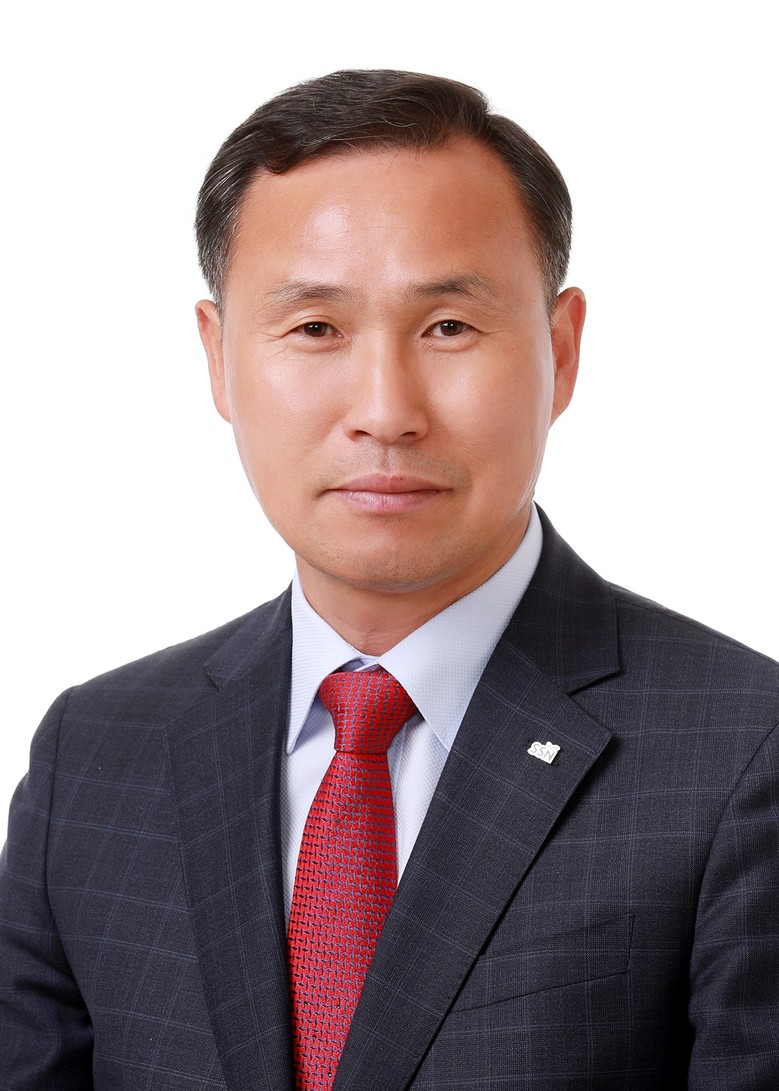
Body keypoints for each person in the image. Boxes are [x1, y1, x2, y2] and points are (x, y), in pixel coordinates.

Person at [1, 69, 777, 1091]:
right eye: (315, 328)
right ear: (218, 358)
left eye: (447, 326)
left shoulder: (742, 751)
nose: (384, 410)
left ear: (559, 350)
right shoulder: (97, 754)